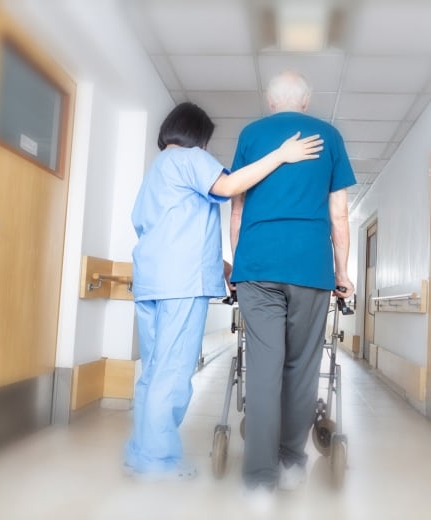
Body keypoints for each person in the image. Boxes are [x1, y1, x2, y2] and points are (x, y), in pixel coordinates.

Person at [124, 101, 324, 481]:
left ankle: (140, 452)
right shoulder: (191, 157)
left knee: (152, 372)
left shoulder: (156, 171)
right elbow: (231, 186)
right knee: (172, 372)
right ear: (197, 135)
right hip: (181, 283)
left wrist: (224, 267)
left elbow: (170, 230)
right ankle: (158, 461)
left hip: (151, 279)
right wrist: (282, 154)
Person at [229, 71, 356, 498]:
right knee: (301, 369)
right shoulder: (329, 136)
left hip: (258, 266)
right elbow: (339, 215)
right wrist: (342, 273)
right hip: (309, 267)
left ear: (270, 102)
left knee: (263, 371)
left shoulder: (250, 134)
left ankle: (259, 483)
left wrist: (237, 262)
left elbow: (237, 208)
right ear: (306, 102)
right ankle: (291, 462)